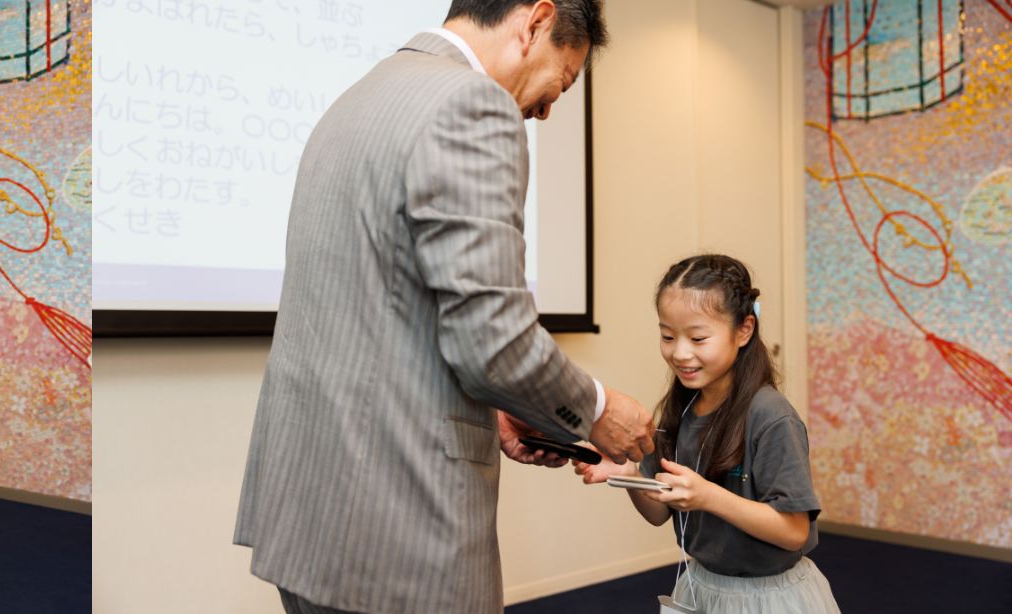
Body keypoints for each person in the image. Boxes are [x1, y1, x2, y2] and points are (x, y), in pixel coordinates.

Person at [232, 1, 655, 612]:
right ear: (535, 21)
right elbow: (496, 343)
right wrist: (597, 408)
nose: (544, 110)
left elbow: (388, 310)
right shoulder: (473, 105)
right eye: (559, 82)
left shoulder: (357, 98)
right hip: (397, 526)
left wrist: (500, 406)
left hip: (308, 512)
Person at [572, 254, 840, 612]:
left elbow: (794, 532)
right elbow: (658, 514)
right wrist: (630, 476)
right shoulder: (678, 410)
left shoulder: (771, 417)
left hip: (769, 598)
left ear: (744, 330)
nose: (680, 353)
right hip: (702, 587)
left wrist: (708, 496)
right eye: (668, 336)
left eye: (698, 338)